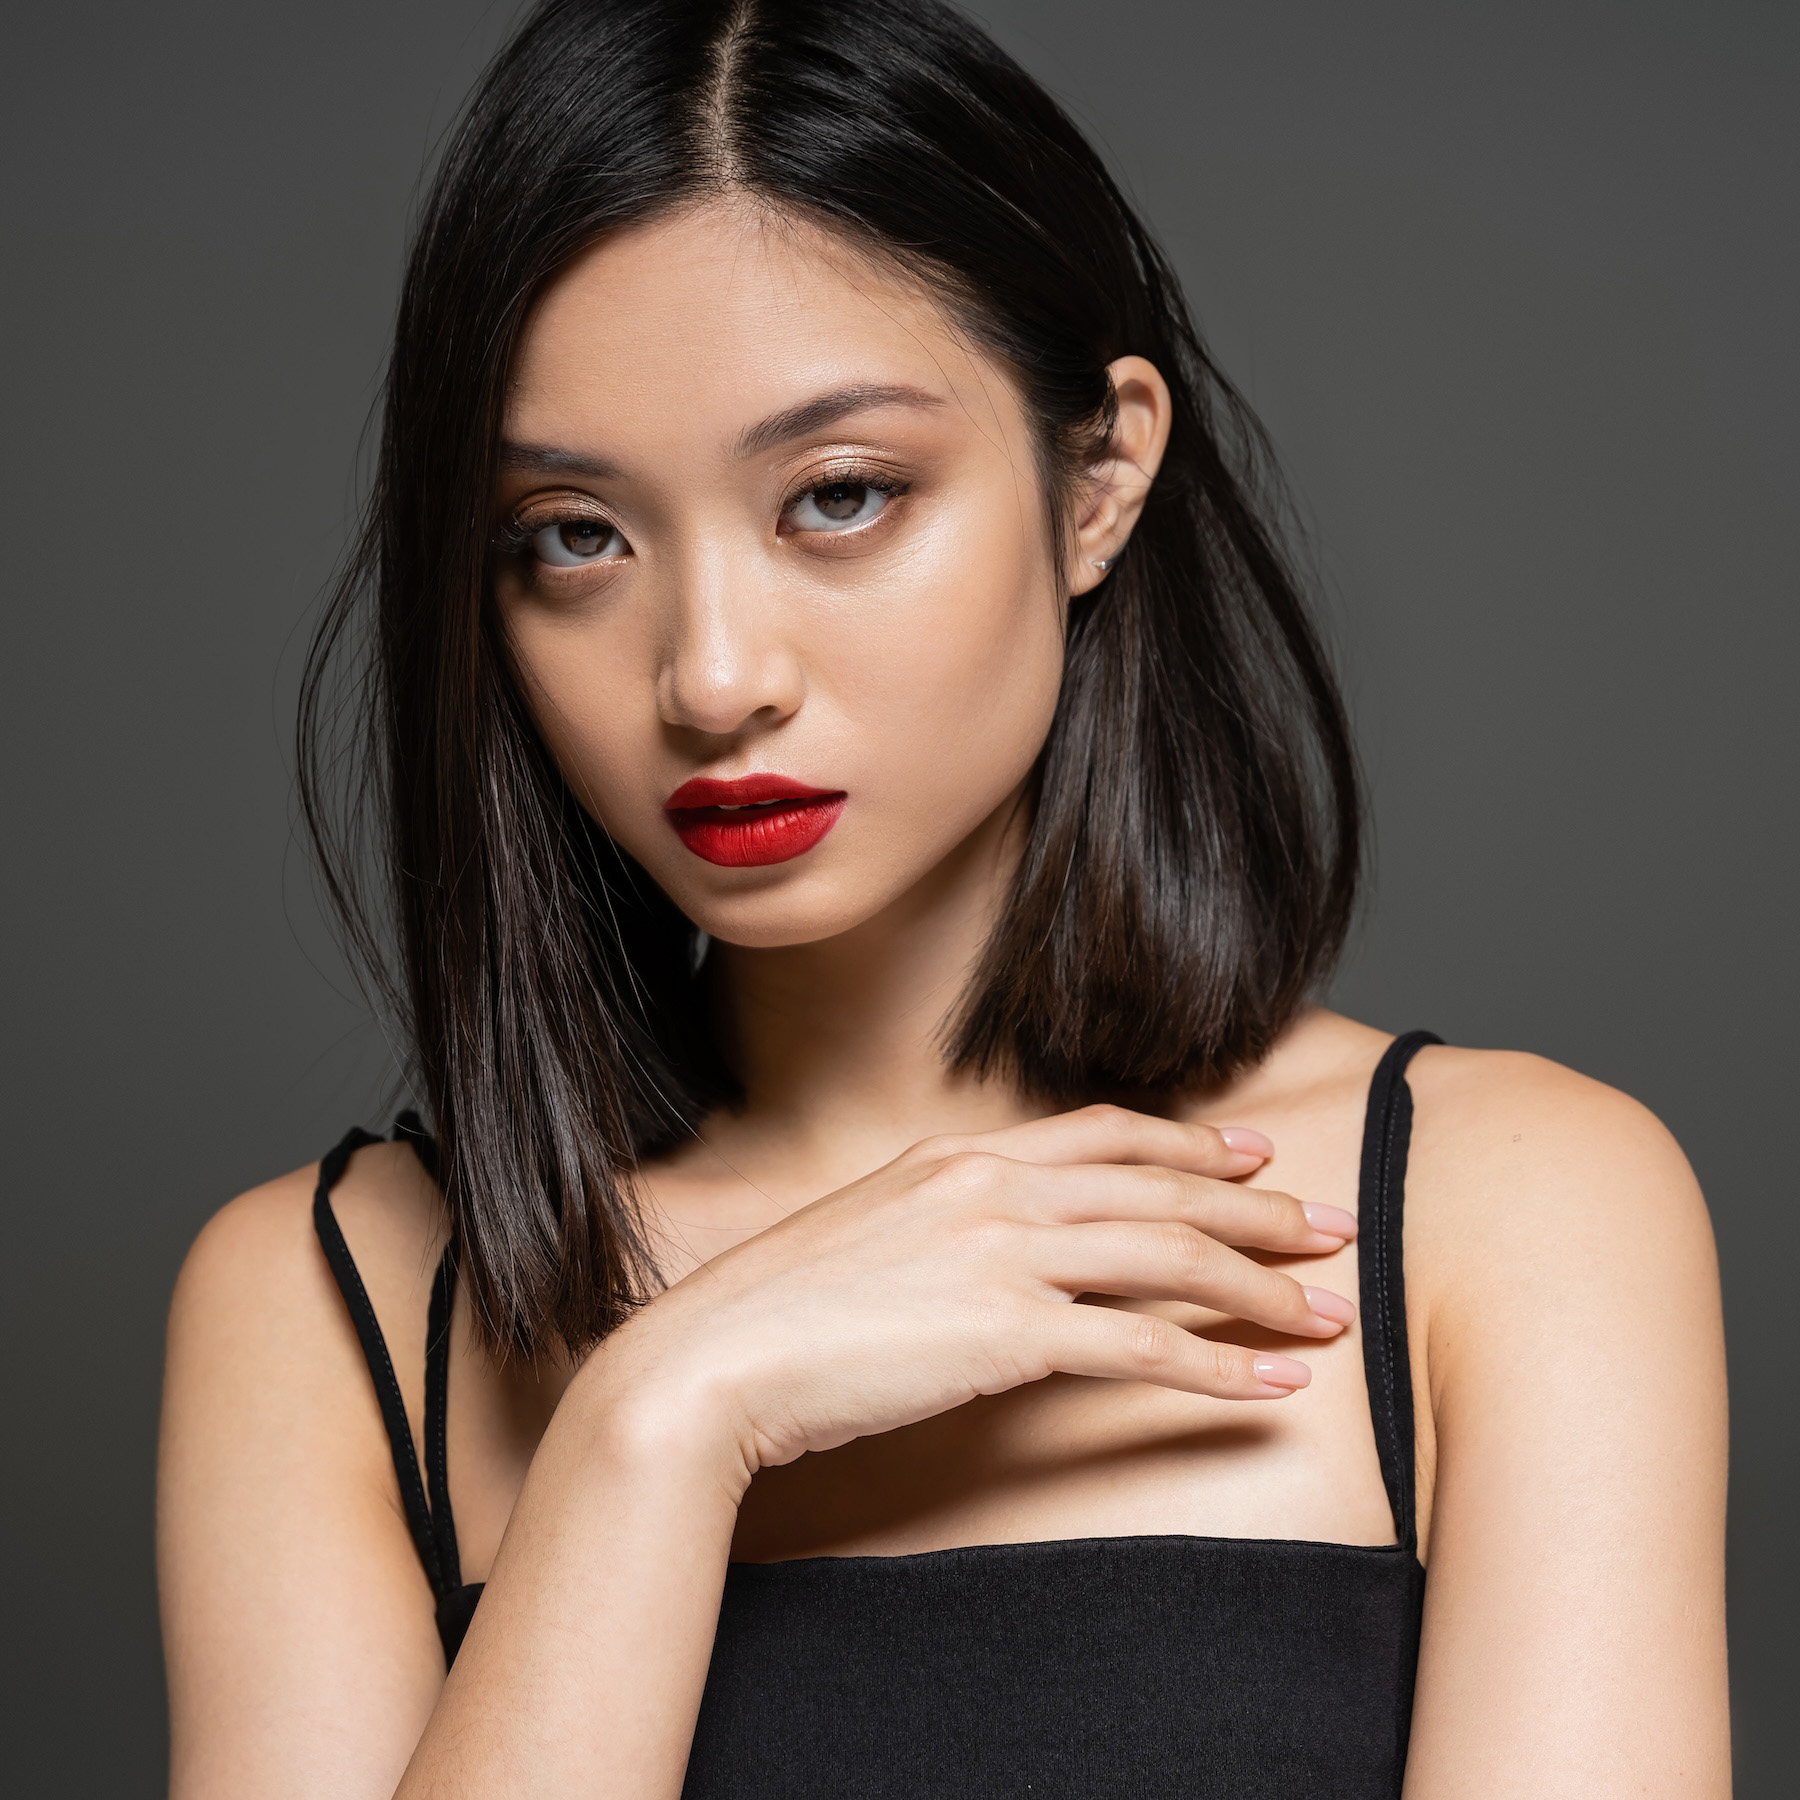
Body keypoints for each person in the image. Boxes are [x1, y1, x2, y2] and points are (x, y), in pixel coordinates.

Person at [155, 2, 1730, 1794]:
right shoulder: (335, 1299)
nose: (714, 675)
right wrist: (663, 1421)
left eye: (838, 495)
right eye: (575, 535)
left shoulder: (1503, 1214)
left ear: (1097, 477)